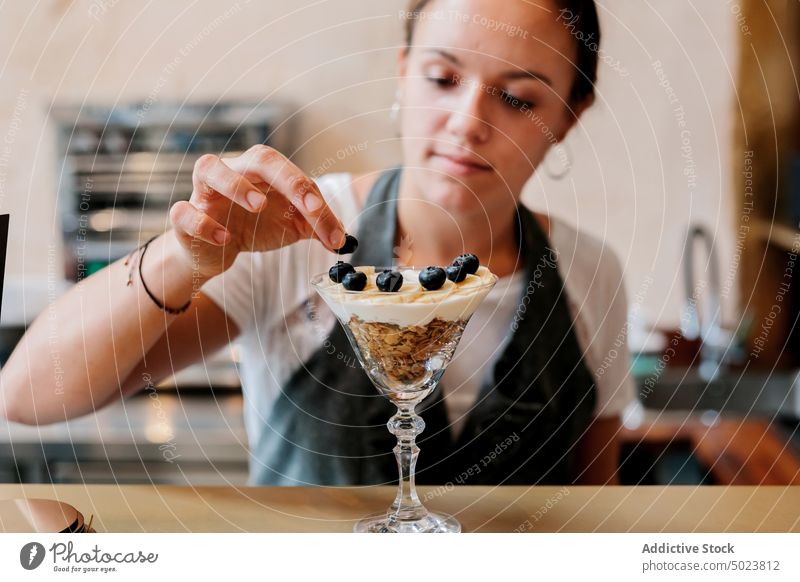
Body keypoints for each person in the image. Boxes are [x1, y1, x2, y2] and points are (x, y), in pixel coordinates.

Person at [0, 0, 634, 486]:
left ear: (568, 118)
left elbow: (592, 502)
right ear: (403, 73)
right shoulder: (290, 237)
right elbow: (25, 396)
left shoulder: (590, 274)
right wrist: (181, 258)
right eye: (443, 78)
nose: (467, 123)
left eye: (518, 99)